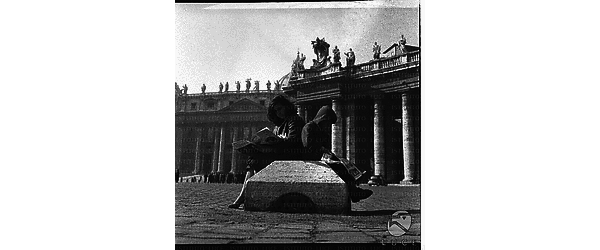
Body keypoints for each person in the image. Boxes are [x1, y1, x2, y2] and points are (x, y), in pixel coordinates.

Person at [228, 95, 306, 209]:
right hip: (281, 154)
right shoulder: (279, 125)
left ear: (287, 106)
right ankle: (242, 196)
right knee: (254, 157)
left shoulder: (294, 120)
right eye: (275, 111)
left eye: (280, 109)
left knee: (255, 159)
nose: (278, 113)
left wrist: (277, 140)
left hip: (292, 155)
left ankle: (241, 197)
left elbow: (293, 141)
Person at [301, 105, 373, 202]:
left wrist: (333, 157)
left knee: (342, 164)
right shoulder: (308, 127)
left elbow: (326, 148)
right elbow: (308, 146)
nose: (327, 126)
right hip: (311, 161)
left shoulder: (321, 131)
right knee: (339, 168)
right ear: (322, 119)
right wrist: (322, 149)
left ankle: (354, 187)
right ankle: (354, 192)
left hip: (320, 159)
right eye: (327, 123)